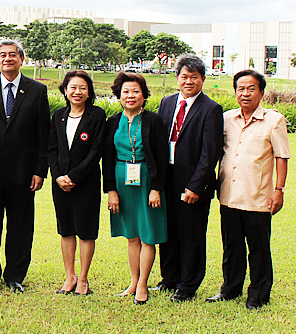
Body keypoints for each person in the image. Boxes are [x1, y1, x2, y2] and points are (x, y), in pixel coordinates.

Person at [205, 70, 289, 310]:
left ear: (261, 92)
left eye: (251, 88)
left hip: (257, 196)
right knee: (231, 246)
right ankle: (230, 289)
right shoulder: (226, 118)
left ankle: (258, 295)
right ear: (235, 92)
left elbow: (281, 156)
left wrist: (279, 189)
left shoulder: (274, 120)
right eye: (241, 88)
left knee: (258, 248)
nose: (245, 93)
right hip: (228, 195)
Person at [0, 39, 50, 294]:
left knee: (21, 227)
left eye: (13, 55)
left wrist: (40, 170)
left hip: (24, 173)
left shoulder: (37, 90)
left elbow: (43, 135)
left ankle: (15, 275)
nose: (8, 58)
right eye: (3, 55)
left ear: (22, 59)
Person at [153, 54, 223, 302]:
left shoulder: (211, 109)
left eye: (194, 77)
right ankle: (169, 279)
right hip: (167, 178)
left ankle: (188, 285)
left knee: (191, 234)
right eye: (184, 76)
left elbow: (210, 153)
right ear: (177, 78)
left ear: (203, 79)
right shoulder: (167, 102)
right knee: (168, 231)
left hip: (192, 182)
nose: (189, 81)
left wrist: (195, 185)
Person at [104, 72, 169, 305]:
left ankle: (143, 284)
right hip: (122, 180)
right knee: (131, 235)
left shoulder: (154, 120)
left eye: (135, 92)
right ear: (119, 96)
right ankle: (133, 281)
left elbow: (162, 157)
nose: (130, 96)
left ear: (143, 95)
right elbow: (107, 159)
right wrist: (111, 190)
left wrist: (157, 188)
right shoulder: (112, 122)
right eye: (126, 92)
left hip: (147, 181)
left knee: (147, 236)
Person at [48, 70, 105, 296]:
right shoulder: (58, 115)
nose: (77, 92)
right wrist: (58, 175)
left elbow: (96, 151)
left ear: (89, 91)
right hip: (60, 183)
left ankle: (83, 279)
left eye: (82, 87)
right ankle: (69, 276)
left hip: (86, 182)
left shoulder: (97, 115)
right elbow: (52, 149)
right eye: (72, 87)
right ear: (65, 90)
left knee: (86, 230)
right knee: (66, 230)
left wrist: (75, 176)